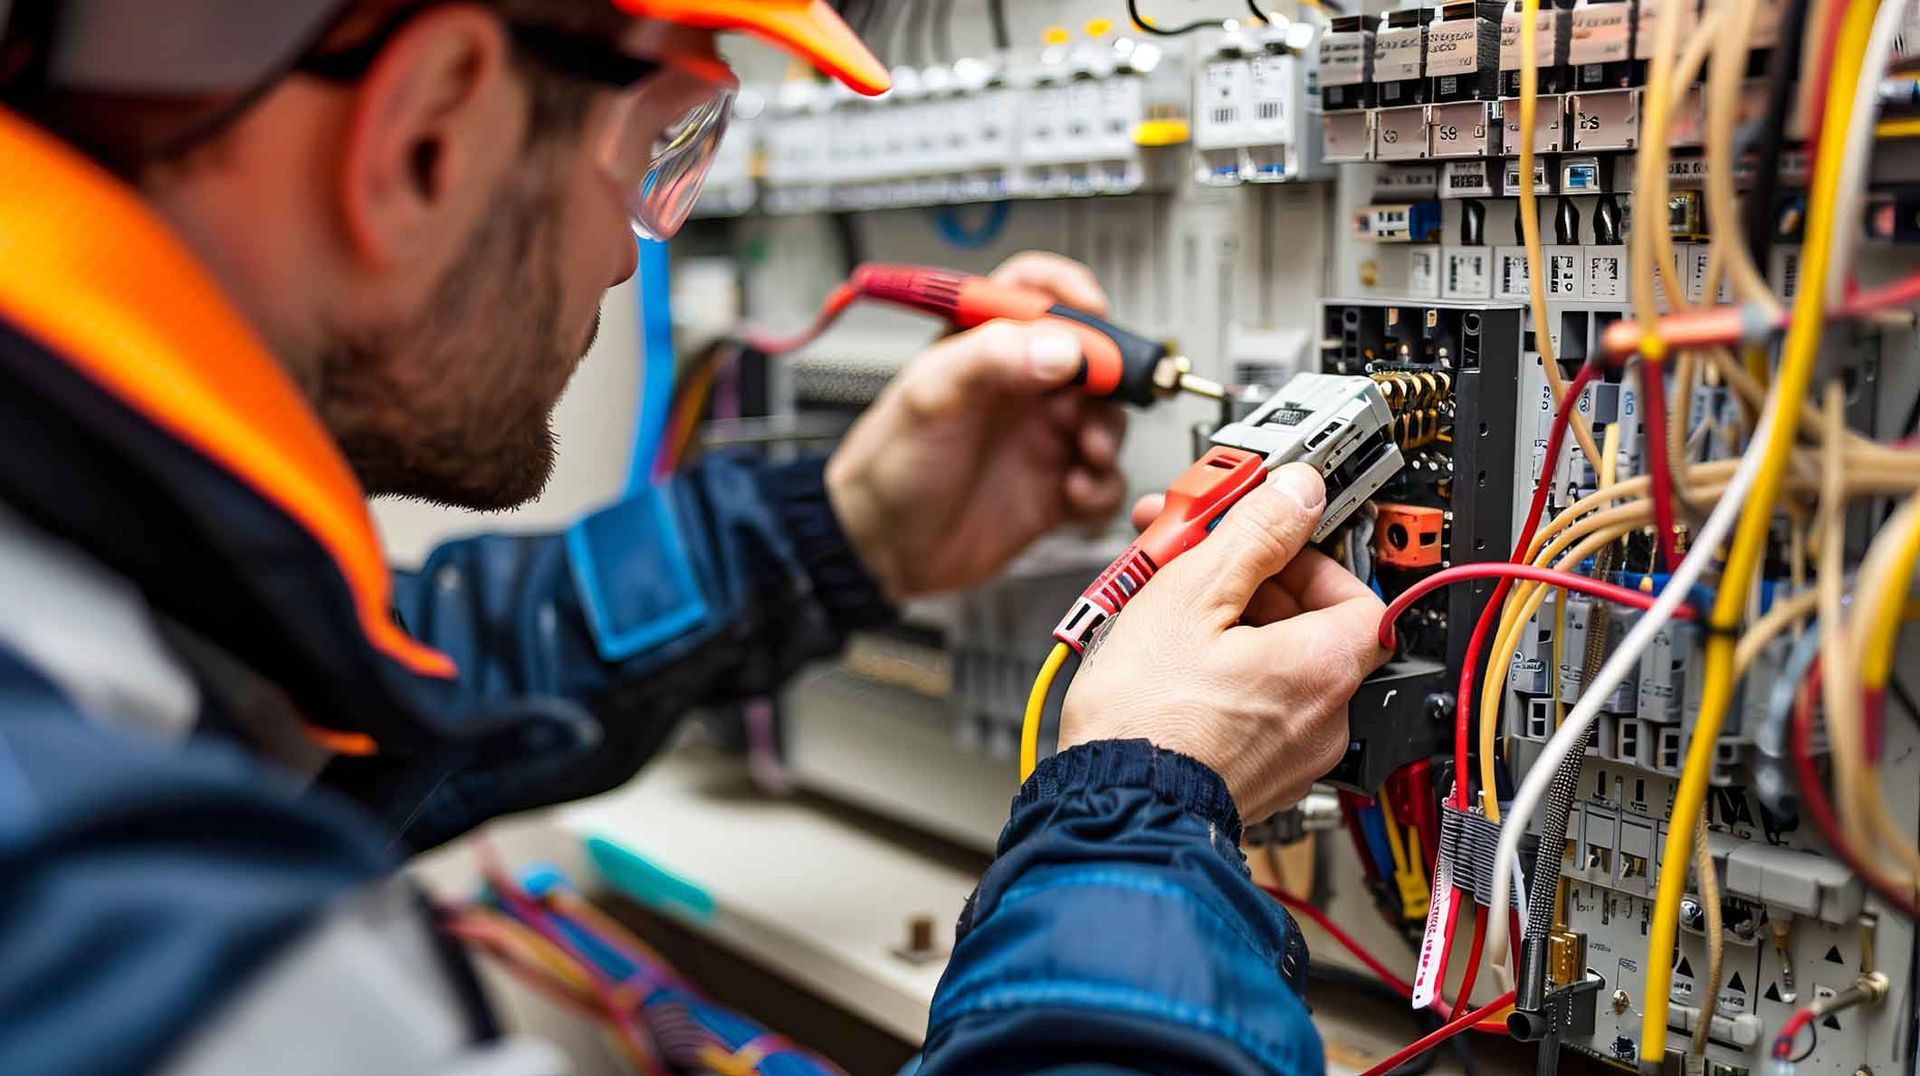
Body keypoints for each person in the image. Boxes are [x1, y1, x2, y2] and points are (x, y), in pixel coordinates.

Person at [0, 1, 1389, 1072]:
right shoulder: (114, 921)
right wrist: (1137, 814)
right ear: (430, 126)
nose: (631, 250)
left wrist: (840, 535)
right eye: (655, 142)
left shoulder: (74, 620)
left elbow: (350, 695)